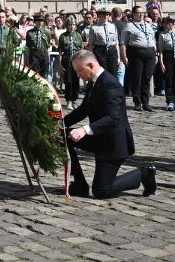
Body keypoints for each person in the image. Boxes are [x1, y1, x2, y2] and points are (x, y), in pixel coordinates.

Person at [64, 50, 157, 199]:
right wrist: (60, 123)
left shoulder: (110, 85)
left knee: (101, 191)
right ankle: (79, 184)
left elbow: (112, 119)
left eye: (79, 71)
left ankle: (144, 173)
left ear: (90, 65)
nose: (78, 75)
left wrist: (84, 130)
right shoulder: (93, 82)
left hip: (113, 144)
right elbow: (83, 110)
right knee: (64, 136)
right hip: (99, 139)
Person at [121, 7, 158, 111]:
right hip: (136, 53)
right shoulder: (129, 26)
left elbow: (153, 40)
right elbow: (123, 43)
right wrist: (124, 57)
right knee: (137, 78)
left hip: (150, 52)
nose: (140, 15)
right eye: (138, 13)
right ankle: (137, 102)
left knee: (147, 78)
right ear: (133, 14)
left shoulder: (148, 25)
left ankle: (146, 103)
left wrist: (156, 54)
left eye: (142, 13)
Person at [156, 16, 175, 111]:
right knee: (168, 80)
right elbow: (161, 51)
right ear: (166, 24)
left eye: (173, 22)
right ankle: (170, 101)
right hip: (168, 56)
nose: (172, 24)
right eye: (170, 22)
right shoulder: (163, 35)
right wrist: (161, 63)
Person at [58, 15, 85, 104]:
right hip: (67, 60)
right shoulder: (63, 36)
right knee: (68, 80)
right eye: (70, 24)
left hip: (76, 60)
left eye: (73, 24)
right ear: (66, 25)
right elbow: (60, 51)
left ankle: (74, 98)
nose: (72, 26)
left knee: (75, 80)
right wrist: (60, 64)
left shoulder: (78, 35)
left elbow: (81, 50)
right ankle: (68, 99)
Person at [87, 8, 120, 77]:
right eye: (103, 14)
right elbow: (91, 44)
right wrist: (92, 58)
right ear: (98, 15)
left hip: (111, 50)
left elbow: (116, 42)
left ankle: (111, 87)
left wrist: (118, 57)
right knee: (102, 72)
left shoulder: (112, 26)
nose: (105, 16)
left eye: (107, 14)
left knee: (113, 72)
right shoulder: (94, 27)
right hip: (100, 51)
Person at [25, 13, 52, 79]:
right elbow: (28, 47)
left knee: (44, 75)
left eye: (42, 21)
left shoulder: (47, 32)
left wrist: (48, 59)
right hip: (34, 54)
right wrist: (27, 60)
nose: (40, 22)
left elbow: (47, 47)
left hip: (43, 53)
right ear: (35, 21)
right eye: (38, 21)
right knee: (35, 74)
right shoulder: (30, 32)